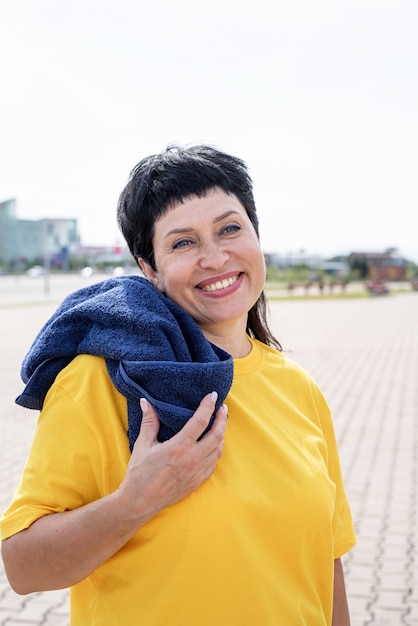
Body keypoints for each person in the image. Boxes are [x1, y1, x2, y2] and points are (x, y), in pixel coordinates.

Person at [1, 145, 356, 625]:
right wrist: (135, 503)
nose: (215, 257)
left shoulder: (298, 388)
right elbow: (23, 568)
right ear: (150, 269)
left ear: (256, 235)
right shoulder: (103, 381)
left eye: (230, 228)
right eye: (183, 243)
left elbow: (326, 561)